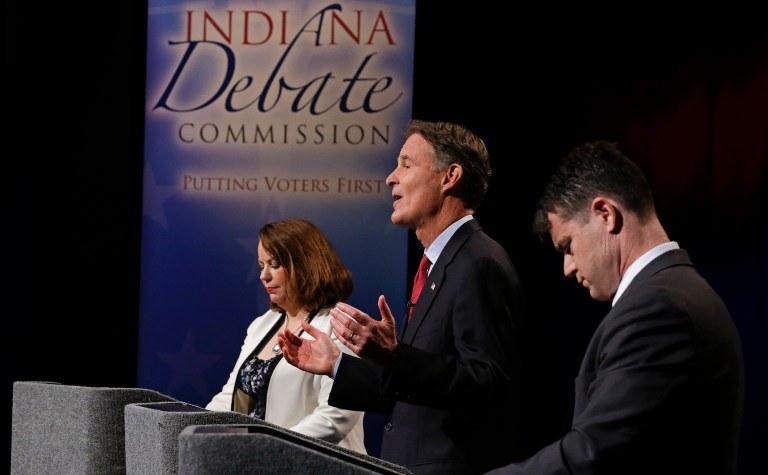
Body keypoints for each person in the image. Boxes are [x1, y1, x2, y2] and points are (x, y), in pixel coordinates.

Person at [279, 120, 525, 474]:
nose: (390, 178)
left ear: (449, 176)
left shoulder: (479, 263)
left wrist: (395, 356)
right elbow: (413, 390)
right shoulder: (440, 265)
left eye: (406, 164)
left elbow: (488, 384)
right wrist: (335, 364)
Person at [487, 141, 745, 475]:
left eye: (568, 246)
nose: (567, 267)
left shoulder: (658, 309)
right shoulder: (679, 292)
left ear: (605, 214)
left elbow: (592, 454)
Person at [206, 217, 366, 453]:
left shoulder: (340, 325)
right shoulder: (261, 325)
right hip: (256, 461)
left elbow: (335, 417)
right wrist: (191, 427)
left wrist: (269, 447)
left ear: (306, 264)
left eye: (275, 264)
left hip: (317, 464)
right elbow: (231, 395)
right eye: (261, 265)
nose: (264, 276)